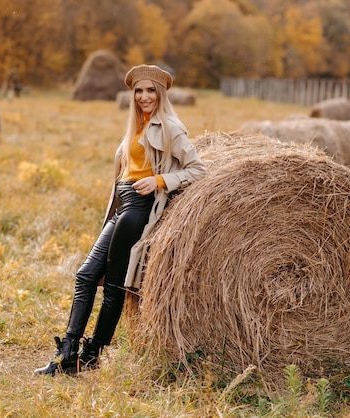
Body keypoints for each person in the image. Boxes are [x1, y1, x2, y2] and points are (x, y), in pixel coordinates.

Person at [34, 64, 207, 376]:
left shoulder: (169, 127)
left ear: (161, 93)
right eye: (138, 91)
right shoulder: (136, 125)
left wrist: (160, 180)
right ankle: (69, 352)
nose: (143, 96)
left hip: (139, 209)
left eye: (150, 90)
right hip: (122, 205)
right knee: (86, 276)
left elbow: (198, 169)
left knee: (113, 287)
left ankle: (89, 355)